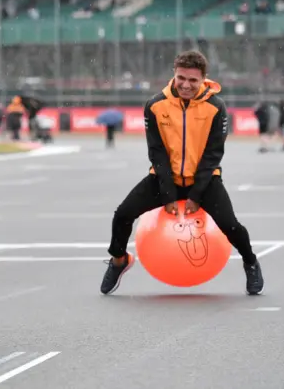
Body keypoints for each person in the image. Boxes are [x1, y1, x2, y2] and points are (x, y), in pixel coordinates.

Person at [99, 50, 264, 296]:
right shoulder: (155, 105)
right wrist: (168, 195)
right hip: (164, 177)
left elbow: (213, 154)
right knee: (122, 215)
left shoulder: (215, 107)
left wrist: (196, 195)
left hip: (205, 180)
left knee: (230, 225)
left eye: (193, 80)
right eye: (181, 78)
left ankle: (250, 262)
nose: (186, 85)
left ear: (203, 79)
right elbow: (156, 151)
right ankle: (119, 259)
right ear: (174, 75)